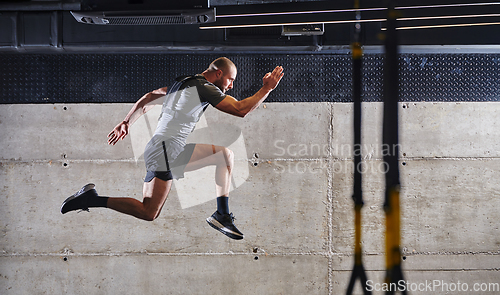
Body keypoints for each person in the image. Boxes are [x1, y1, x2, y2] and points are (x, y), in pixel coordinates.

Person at [61, 57, 284, 240]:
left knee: (224, 156)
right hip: (166, 149)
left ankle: (222, 214)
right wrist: (267, 88)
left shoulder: (184, 82)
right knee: (149, 212)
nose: (231, 85)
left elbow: (150, 96)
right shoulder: (204, 87)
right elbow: (240, 109)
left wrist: (127, 121)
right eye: (230, 80)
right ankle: (91, 199)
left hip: (165, 148)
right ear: (218, 74)